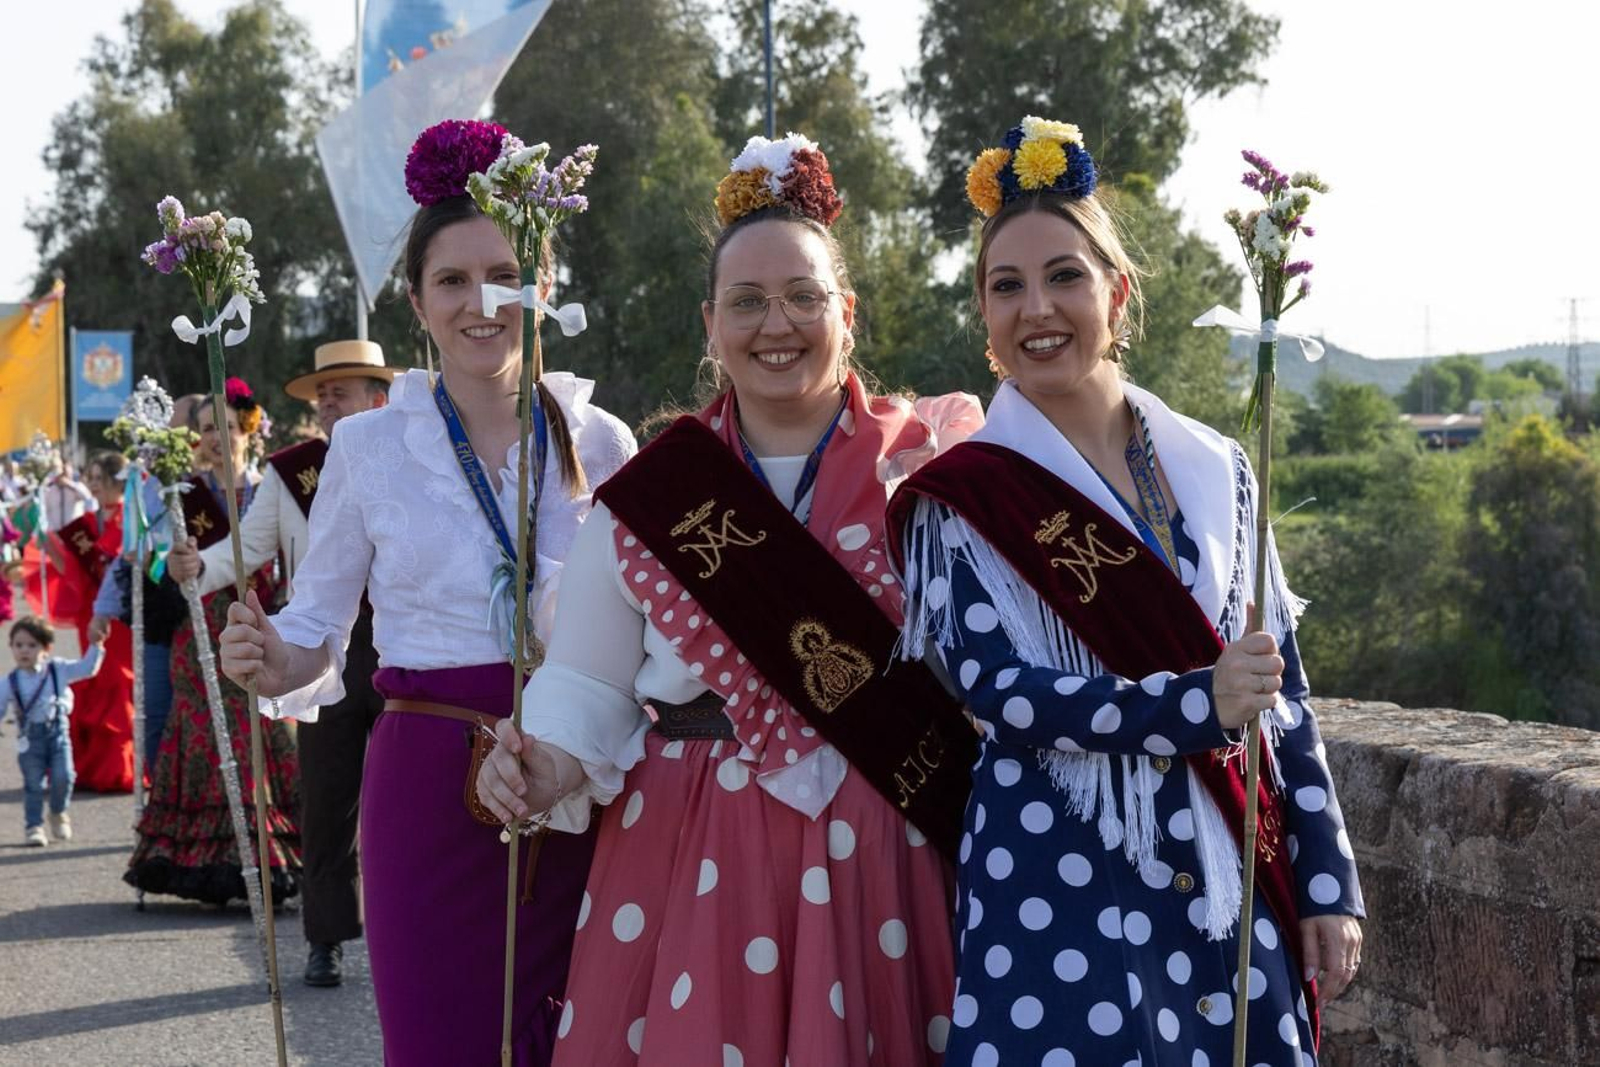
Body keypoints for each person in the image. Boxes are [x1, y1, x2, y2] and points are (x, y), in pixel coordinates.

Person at [474, 132, 985, 1066]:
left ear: (848, 312)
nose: (775, 324)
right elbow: (588, 681)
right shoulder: (651, 499)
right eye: (746, 302)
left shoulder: (929, 469)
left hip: (881, 844)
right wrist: (539, 769)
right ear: (710, 324)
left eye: (802, 296)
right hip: (688, 851)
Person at [885, 117, 1365, 1065]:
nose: (1038, 309)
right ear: (984, 316)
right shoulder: (965, 494)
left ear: (1119, 292)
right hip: (1056, 877)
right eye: (1006, 286)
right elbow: (1000, 691)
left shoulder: (1217, 472)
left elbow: (1283, 690)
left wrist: (1327, 879)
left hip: (1224, 869)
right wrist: (1197, 700)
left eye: (1065, 275)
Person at [217, 118, 636, 1066]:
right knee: (442, 1042)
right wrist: (270, 654)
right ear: (415, 300)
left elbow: (646, 624)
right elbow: (317, 629)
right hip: (427, 781)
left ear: (544, 283)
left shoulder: (604, 442)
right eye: (452, 279)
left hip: (580, 770)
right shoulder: (365, 448)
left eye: (503, 273)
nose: (479, 302)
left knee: (585, 1040)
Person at [168, 339, 396, 989]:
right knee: (326, 796)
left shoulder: (411, 459)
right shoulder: (292, 470)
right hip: (322, 645)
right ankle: (326, 938)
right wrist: (198, 567)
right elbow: (248, 548)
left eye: (340, 390)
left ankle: (408, 926)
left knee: (410, 792)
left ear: (377, 399)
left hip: (406, 644)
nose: (326, 401)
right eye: (321, 393)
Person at [124, 381, 302, 905]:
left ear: (249, 427)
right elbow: (153, 563)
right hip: (198, 636)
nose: (216, 438)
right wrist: (167, 563)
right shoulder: (181, 496)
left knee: (266, 737)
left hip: (264, 628)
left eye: (226, 426)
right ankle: (207, 864)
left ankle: (273, 858)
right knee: (204, 740)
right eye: (206, 429)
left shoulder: (274, 487)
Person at [53, 451, 135, 793]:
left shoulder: (132, 519)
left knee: (119, 681)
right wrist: (51, 544)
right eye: (93, 479)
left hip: (121, 619)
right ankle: (86, 766)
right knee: (92, 677)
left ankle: (121, 767)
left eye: (101, 479)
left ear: (119, 482)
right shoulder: (84, 525)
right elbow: (68, 570)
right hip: (91, 613)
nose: (95, 486)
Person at [5, 614, 102, 845]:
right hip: (30, 739)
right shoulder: (10, 681)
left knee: (64, 777)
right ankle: (34, 826)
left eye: (31, 645)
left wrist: (96, 646)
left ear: (46, 648)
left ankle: (58, 812)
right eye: (18, 645)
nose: (24, 651)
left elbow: (87, 669)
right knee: (34, 784)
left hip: (58, 735)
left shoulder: (57, 669)